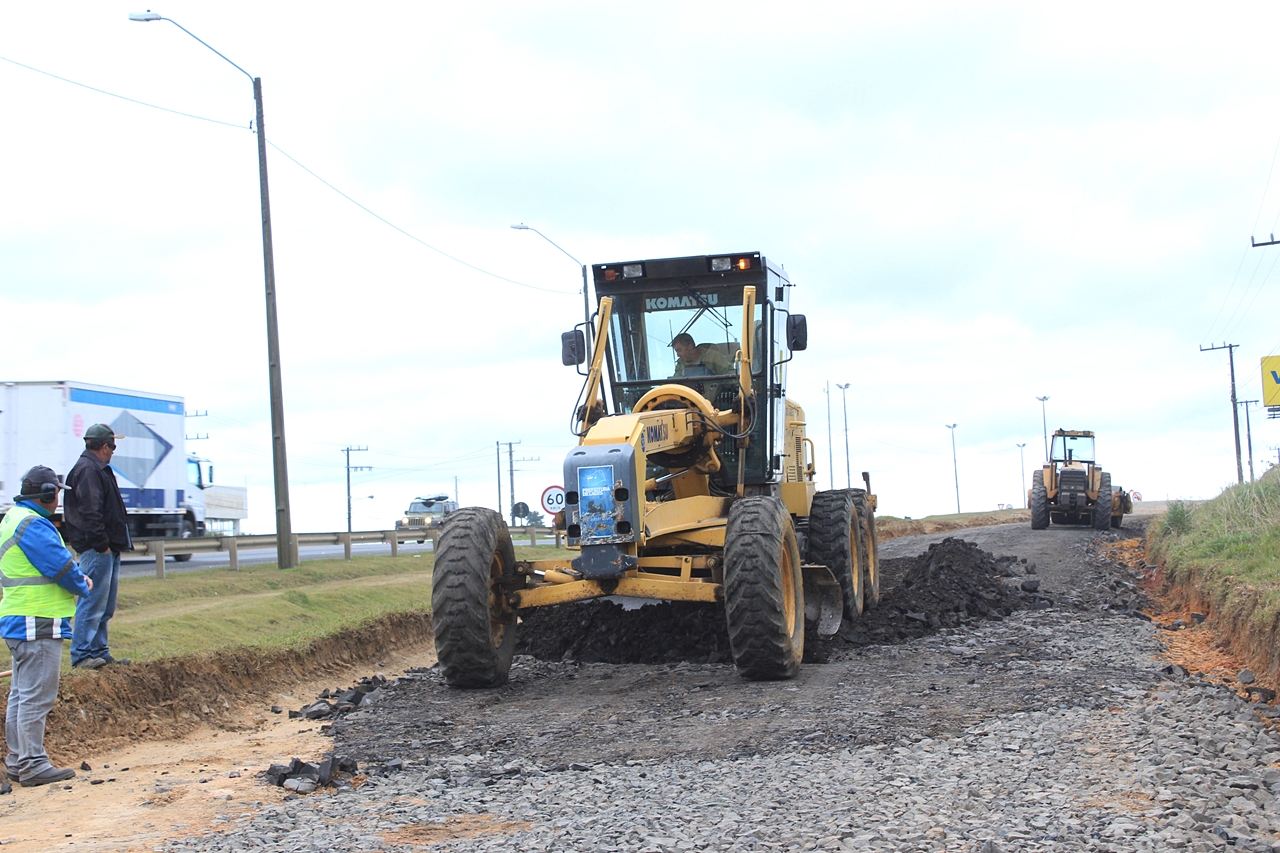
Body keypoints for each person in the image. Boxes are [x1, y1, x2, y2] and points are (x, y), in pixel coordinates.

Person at [2, 465, 93, 787]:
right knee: (36, 695)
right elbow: (60, 564)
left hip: (19, 619)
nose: (57, 500)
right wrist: (82, 583)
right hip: (37, 620)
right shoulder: (33, 524)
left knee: (21, 694)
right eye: (55, 493)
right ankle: (32, 764)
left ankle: (18, 760)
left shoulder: (12, 518)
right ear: (45, 493)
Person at [63, 424, 132, 670]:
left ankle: (99, 652)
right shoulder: (88, 470)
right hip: (97, 549)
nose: (113, 451)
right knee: (92, 602)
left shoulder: (96, 469)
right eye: (112, 446)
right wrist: (101, 545)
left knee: (104, 605)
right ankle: (82, 655)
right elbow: (90, 512)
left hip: (107, 547)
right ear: (104, 447)